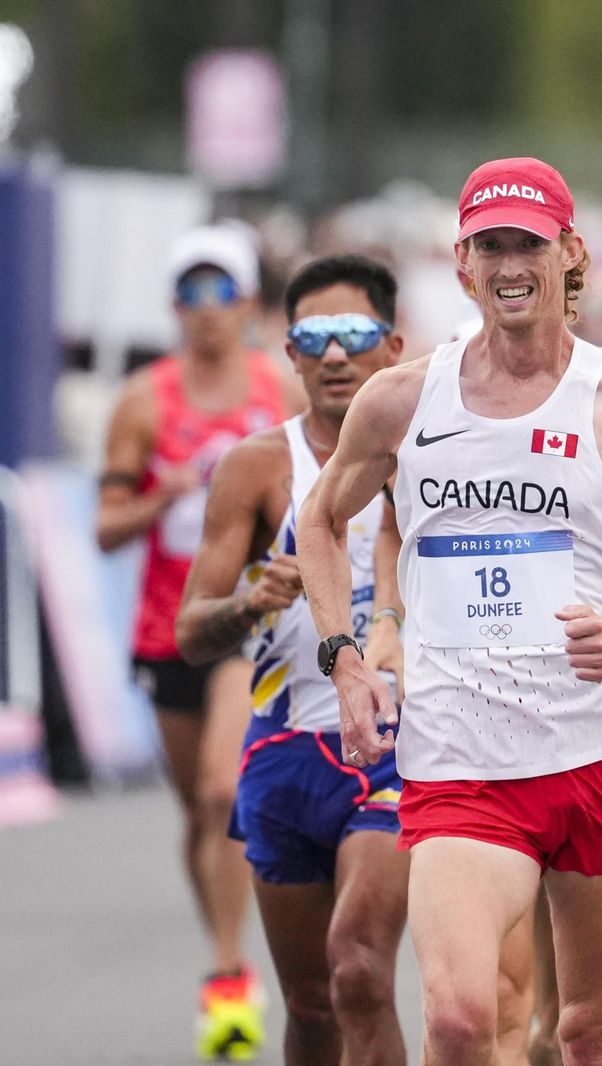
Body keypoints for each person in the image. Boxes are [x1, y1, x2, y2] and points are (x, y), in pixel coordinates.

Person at [295, 156, 602, 1066]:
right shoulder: (400, 400)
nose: (511, 265)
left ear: (569, 252)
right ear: (462, 263)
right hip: (461, 761)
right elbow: (319, 517)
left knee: (591, 1033)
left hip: (597, 754)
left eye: (529, 244)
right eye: (490, 245)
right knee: (461, 1021)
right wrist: (345, 659)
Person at [175, 255, 410, 1066]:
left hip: (401, 751)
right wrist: (249, 600)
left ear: (392, 344)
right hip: (284, 754)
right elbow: (191, 630)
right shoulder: (257, 468)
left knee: (361, 973)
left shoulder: (435, 457)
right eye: (315, 336)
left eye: (353, 334)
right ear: (291, 353)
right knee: (312, 1007)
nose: (336, 354)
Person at [95, 221, 300, 1059]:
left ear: (248, 303)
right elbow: (105, 528)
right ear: (175, 307)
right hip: (166, 629)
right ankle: (225, 943)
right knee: (197, 813)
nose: (207, 310)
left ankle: (226, 975)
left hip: (247, 618)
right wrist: (160, 496)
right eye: (192, 294)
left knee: (224, 791)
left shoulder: (277, 391)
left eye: (222, 292)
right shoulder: (145, 401)